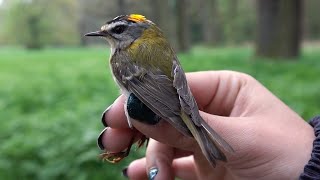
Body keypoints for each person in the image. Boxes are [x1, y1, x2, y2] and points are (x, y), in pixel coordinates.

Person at [98, 71, 317, 180]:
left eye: (116, 31)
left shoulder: (121, 59)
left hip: (161, 100)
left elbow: (150, 92)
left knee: (140, 119)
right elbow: (176, 79)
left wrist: (172, 118)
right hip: (174, 94)